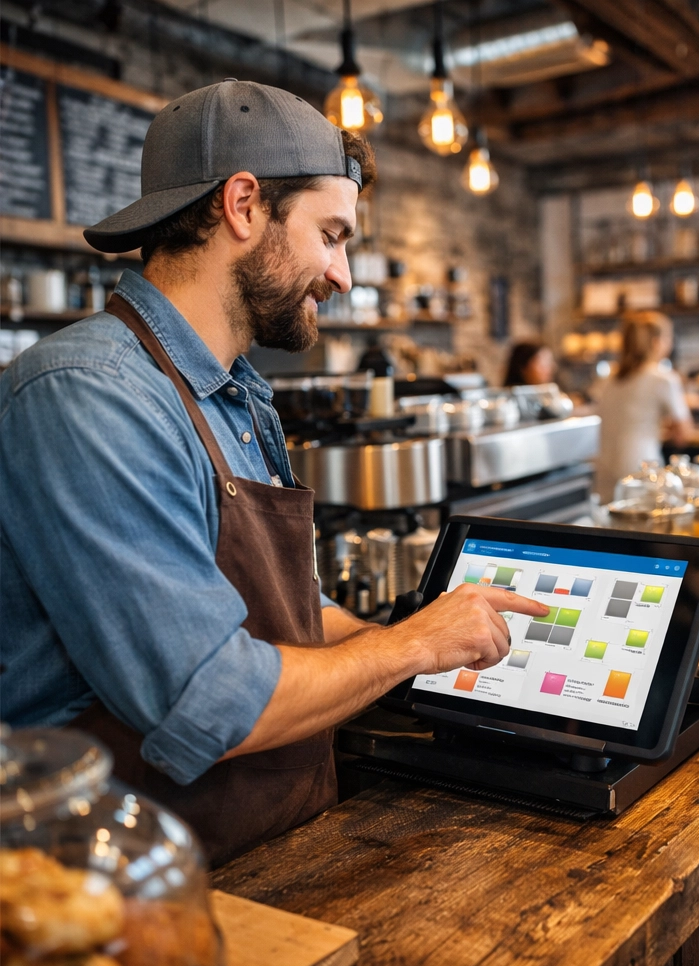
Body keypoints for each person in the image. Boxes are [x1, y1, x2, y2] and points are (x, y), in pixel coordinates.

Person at [0, 81, 545, 866]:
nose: (344, 275)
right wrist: (412, 648)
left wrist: (425, 649)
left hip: (264, 851)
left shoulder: (235, 391)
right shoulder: (88, 398)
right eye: (331, 234)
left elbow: (277, 609)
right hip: (119, 896)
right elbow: (207, 702)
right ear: (244, 206)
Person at [591, 311, 692, 501]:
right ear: (656, 342)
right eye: (668, 338)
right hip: (642, 470)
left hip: (605, 471)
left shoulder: (605, 379)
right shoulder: (663, 378)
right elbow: (683, 435)